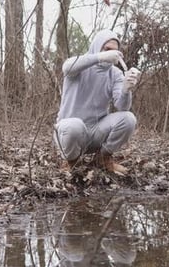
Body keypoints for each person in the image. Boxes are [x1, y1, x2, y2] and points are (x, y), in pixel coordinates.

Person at [54, 29, 141, 174]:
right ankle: (71, 162)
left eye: (114, 51)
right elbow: (67, 67)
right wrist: (100, 57)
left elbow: (122, 106)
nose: (111, 54)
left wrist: (126, 89)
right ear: (97, 47)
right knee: (74, 125)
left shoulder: (115, 73)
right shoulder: (80, 65)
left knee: (128, 118)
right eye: (107, 49)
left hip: (95, 133)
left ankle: (103, 158)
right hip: (68, 134)